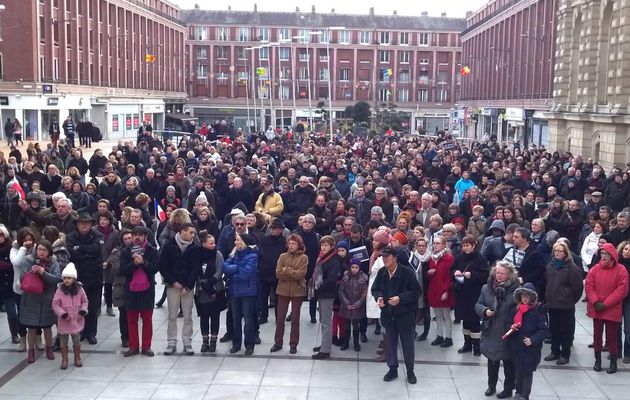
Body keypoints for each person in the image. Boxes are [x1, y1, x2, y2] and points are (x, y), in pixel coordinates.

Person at [371, 245, 421, 384]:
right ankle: (392, 369)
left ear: (395, 258)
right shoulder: (382, 272)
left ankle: (410, 371)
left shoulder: (407, 272)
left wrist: (400, 299)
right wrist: (379, 297)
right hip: (388, 314)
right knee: (390, 344)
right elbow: (375, 289)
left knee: (407, 344)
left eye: (387, 257)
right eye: (383, 257)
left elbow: (416, 292)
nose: (384, 259)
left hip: (405, 315)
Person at [475, 261, 520, 398]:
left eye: (502, 273)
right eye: (497, 272)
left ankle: (508, 388)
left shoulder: (516, 291)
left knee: (508, 362)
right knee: (492, 360)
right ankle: (491, 386)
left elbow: (521, 309)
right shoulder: (486, 288)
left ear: (510, 275)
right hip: (491, 329)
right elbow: (478, 304)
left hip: (507, 331)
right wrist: (485, 311)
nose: (499, 276)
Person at [585, 242, 629, 374]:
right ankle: (597, 360)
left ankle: (613, 362)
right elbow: (589, 286)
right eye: (602, 254)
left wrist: (605, 304)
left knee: (612, 336)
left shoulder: (621, 270)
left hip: (611, 308)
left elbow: (622, 290)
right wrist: (596, 301)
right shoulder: (594, 269)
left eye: (607, 254)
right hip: (597, 307)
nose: (604, 257)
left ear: (613, 255)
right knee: (597, 335)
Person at [16, 239, 61, 363]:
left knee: (47, 327)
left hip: (47, 299)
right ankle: (31, 351)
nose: (41, 252)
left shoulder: (54, 263)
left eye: (44, 250)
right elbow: (22, 278)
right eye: (39, 249)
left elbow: (57, 279)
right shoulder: (28, 260)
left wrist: (43, 272)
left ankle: (49, 349)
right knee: (31, 327)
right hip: (31, 299)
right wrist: (32, 272)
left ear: (49, 252)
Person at [120, 226, 159, 357]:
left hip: (146, 290)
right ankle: (133, 346)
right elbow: (123, 270)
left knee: (147, 319)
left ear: (145, 236)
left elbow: (155, 269)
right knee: (131, 320)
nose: (137, 237)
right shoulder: (126, 251)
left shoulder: (151, 250)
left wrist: (143, 263)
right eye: (135, 234)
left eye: (140, 235)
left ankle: (146, 346)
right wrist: (133, 264)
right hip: (131, 290)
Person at [159, 223, 197, 355]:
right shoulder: (169, 245)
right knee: (172, 315)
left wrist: (188, 285)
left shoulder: (194, 247)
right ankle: (171, 342)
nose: (193, 235)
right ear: (183, 232)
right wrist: (173, 282)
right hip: (173, 285)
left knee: (188, 315)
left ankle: (187, 342)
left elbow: (195, 269)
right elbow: (163, 266)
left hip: (187, 287)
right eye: (191, 232)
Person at [543, 242, 584, 365]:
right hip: (552, 303)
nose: (557, 253)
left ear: (566, 253)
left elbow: (578, 289)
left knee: (566, 330)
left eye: (560, 251)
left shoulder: (572, 268)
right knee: (554, 329)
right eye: (556, 251)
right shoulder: (551, 266)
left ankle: (565, 354)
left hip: (565, 305)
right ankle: (554, 351)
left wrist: (569, 298)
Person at [506, 283, 548, 400]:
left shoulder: (538, 311)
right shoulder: (516, 310)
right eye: (523, 295)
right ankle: (518, 392)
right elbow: (508, 323)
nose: (524, 298)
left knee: (527, 373)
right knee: (518, 372)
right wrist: (512, 327)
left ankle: (525, 395)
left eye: (527, 296)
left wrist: (532, 340)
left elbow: (543, 331)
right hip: (517, 347)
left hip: (530, 349)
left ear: (532, 298)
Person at [66, 213, 103, 344]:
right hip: (78, 277)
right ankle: (81, 331)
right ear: (77, 224)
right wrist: (87, 254)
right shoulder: (71, 236)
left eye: (87, 223)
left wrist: (81, 249)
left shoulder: (97, 235)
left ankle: (91, 332)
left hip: (95, 276)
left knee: (93, 307)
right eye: (81, 223)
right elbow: (71, 252)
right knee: (78, 306)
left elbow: (97, 249)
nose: (84, 225)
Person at [188, 231, 226, 353]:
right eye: (210, 243)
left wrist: (211, 281)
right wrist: (201, 282)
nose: (213, 245)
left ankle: (213, 341)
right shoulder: (198, 255)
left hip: (215, 289)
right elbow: (195, 269)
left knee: (215, 316)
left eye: (214, 243)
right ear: (203, 244)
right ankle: (205, 341)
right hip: (201, 290)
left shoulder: (218, 254)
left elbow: (220, 270)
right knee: (204, 316)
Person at [451, 236, 489, 356]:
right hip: (461, 293)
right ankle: (467, 344)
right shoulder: (459, 257)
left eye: (468, 245)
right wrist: (455, 273)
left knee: (474, 320)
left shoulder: (480, 258)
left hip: (474, 293)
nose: (465, 248)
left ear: (473, 245)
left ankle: (476, 346)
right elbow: (452, 269)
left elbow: (485, 275)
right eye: (464, 245)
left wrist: (471, 275)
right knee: (465, 320)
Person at [223, 232, 259, 355]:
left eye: (237, 240)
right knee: (235, 319)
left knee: (248, 320)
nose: (235, 242)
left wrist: (233, 272)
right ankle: (236, 344)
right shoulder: (234, 254)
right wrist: (236, 269)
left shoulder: (253, 255)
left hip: (248, 292)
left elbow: (246, 274)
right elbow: (225, 267)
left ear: (244, 242)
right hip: (234, 291)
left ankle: (249, 345)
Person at [271, 233, 308, 354]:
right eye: (290, 243)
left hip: (298, 291)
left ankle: (293, 344)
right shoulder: (282, 256)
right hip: (282, 290)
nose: (291, 246)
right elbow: (278, 273)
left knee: (295, 319)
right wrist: (292, 273)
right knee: (280, 318)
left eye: (294, 243)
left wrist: (287, 271)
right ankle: (278, 342)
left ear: (299, 245)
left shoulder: (304, 258)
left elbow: (301, 275)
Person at [310, 235, 342, 360]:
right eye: (322, 245)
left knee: (326, 321)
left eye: (326, 245)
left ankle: (325, 350)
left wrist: (319, 287)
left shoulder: (333, 260)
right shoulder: (322, 257)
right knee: (323, 319)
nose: (323, 247)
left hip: (327, 293)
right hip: (322, 292)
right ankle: (325, 344)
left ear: (331, 246)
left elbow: (331, 279)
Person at [51, 263, 88, 369]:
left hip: (76, 319)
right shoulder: (60, 290)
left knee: (76, 340)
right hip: (64, 320)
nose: (66, 280)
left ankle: (77, 358)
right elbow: (55, 304)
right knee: (63, 341)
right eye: (65, 278)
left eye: (69, 278)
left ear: (74, 279)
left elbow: (85, 301)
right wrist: (62, 314)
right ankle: (64, 359)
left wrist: (83, 311)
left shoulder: (80, 290)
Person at [426, 236, 455, 348]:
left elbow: (450, 276)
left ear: (443, 245)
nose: (435, 245)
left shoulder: (449, 258)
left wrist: (446, 291)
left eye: (438, 243)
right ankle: (439, 335)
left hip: (443, 289)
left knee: (446, 315)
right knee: (437, 314)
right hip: (434, 289)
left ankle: (449, 337)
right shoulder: (433, 258)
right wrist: (429, 273)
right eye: (434, 243)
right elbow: (428, 275)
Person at [107, 228, 133, 348]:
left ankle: (132, 336)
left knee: (132, 314)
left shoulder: (136, 249)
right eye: (126, 238)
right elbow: (115, 270)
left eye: (130, 238)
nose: (128, 240)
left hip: (134, 285)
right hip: (121, 286)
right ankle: (125, 337)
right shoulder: (117, 252)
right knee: (123, 314)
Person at [338, 258, 368, 352]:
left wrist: (358, 304)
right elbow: (341, 291)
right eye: (352, 267)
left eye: (356, 267)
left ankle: (356, 343)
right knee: (346, 325)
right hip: (346, 306)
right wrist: (346, 303)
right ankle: (346, 342)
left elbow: (364, 294)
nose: (354, 269)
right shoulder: (345, 278)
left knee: (356, 325)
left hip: (357, 307)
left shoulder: (362, 279)